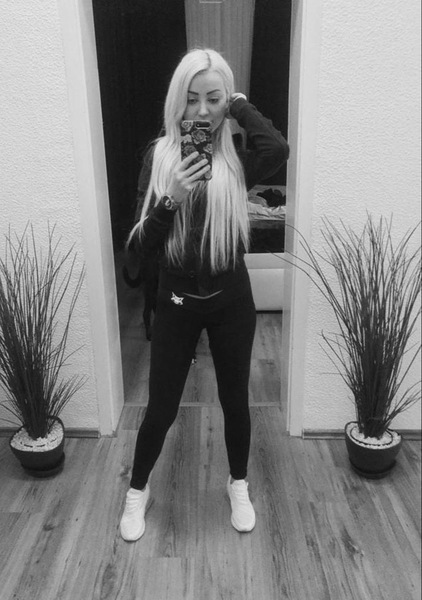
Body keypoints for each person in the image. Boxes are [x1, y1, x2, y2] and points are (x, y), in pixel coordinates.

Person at [120, 48, 289, 542]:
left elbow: (277, 147)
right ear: (178, 100)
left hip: (231, 299)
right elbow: (138, 253)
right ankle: (136, 491)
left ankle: (238, 484)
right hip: (176, 300)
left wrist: (237, 104)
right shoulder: (158, 159)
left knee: (236, 400)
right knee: (161, 408)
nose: (201, 110)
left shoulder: (237, 160)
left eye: (213, 99)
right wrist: (170, 197)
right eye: (191, 98)